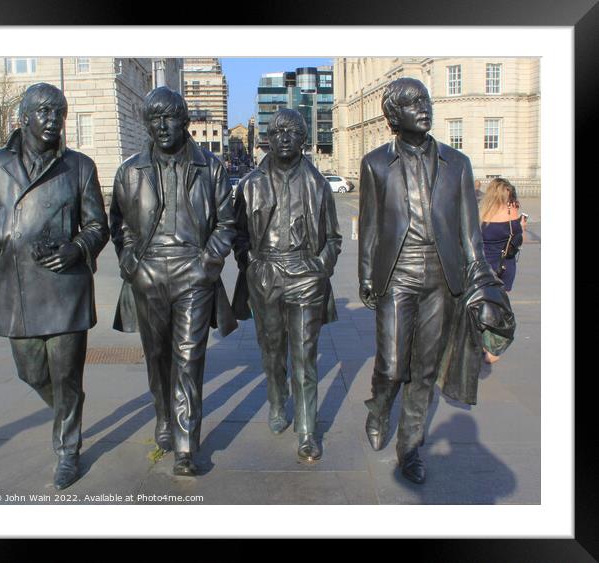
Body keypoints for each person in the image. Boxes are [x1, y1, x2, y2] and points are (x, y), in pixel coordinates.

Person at [0, 83, 109, 490]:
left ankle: (67, 450)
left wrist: (77, 248)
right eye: (44, 112)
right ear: (24, 117)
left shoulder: (79, 167)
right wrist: (4, 235)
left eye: (59, 113)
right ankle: (70, 408)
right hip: (18, 289)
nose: (52, 121)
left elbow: (99, 225)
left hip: (65, 287)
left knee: (66, 376)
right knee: (30, 371)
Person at [358, 77, 502, 484]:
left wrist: (482, 284)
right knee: (390, 365)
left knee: (423, 370)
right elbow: (369, 226)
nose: (424, 107)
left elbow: (469, 233)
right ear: (393, 116)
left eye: (425, 99)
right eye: (411, 103)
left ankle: (410, 448)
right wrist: (367, 276)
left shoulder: (457, 164)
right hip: (397, 273)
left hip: (442, 275)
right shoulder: (375, 164)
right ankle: (379, 407)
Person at [109, 87, 237, 477]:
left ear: (185, 121)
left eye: (170, 117)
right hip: (148, 274)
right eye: (155, 118)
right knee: (157, 355)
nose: (162, 126)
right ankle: (164, 415)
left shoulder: (210, 167)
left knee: (188, 357)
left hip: (193, 273)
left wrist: (207, 264)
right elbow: (120, 226)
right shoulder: (130, 170)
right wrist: (132, 264)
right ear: (147, 124)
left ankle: (185, 444)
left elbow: (226, 223)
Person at [232, 109, 342, 462]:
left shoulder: (318, 185)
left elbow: (334, 238)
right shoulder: (250, 184)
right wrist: (250, 264)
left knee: (305, 356)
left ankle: (308, 430)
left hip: (305, 274)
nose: (283, 137)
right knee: (272, 350)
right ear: (267, 138)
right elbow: (236, 234)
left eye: (292, 132)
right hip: (266, 272)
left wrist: (320, 266)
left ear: (303, 139)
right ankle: (278, 400)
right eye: (277, 131)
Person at [479, 177, 527, 363]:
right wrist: (521, 228)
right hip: (503, 267)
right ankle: (490, 348)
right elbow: (515, 242)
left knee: (484, 304)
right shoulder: (511, 215)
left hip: (482, 265)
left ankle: (479, 341)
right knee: (499, 307)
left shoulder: (482, 212)